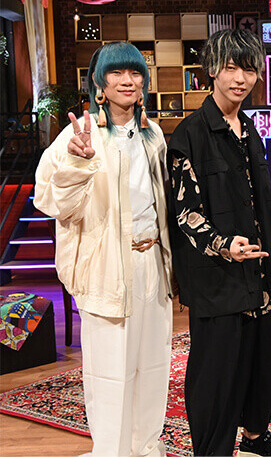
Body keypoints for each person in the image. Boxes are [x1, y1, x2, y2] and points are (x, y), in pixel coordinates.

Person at [166, 29, 271, 457]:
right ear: (211, 70)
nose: (240, 78)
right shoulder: (189, 135)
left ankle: (256, 437)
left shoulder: (249, 130)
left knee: (265, 362)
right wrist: (224, 244)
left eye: (249, 69)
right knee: (216, 375)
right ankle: (213, 450)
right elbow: (185, 214)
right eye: (230, 67)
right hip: (219, 276)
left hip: (263, 272)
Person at [34, 42, 173, 456]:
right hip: (108, 265)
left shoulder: (153, 134)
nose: (127, 81)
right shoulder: (78, 135)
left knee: (152, 364)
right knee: (110, 370)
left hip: (152, 261)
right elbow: (51, 201)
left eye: (135, 72)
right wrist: (77, 163)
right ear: (100, 83)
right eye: (116, 73)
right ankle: (111, 451)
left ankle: (146, 446)